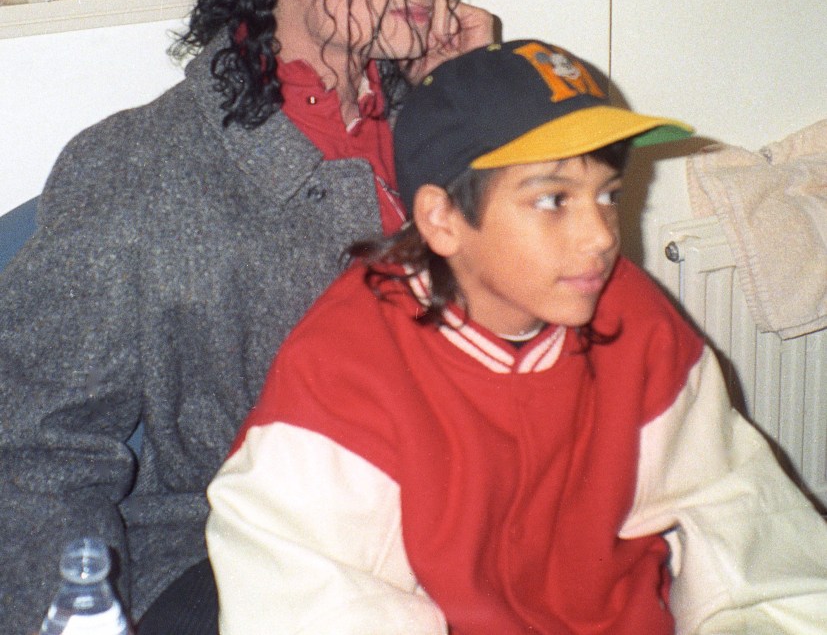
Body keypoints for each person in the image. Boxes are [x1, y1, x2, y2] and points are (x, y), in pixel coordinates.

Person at [0, 0, 506, 635]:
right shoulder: (139, 167)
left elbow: (529, 330)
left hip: (459, 523)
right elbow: (39, 447)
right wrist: (77, 611)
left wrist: (478, 112)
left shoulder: (439, 120)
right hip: (232, 558)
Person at [206, 38, 827, 635]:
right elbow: (316, 606)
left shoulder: (630, 314)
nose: (602, 236)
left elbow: (740, 523)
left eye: (607, 195)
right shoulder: (344, 371)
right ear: (441, 219)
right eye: (554, 200)